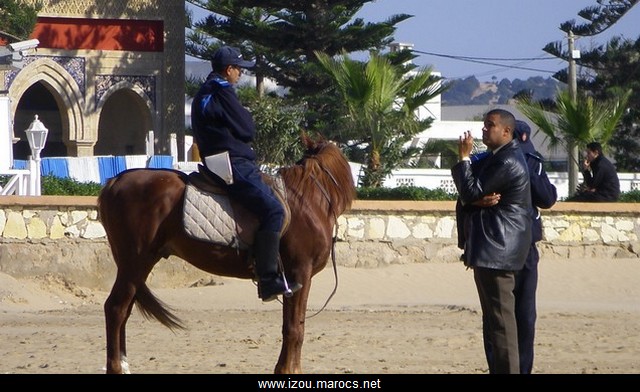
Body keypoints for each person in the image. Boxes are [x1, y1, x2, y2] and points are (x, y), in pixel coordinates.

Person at [190, 46, 301, 302]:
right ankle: (268, 279)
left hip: (219, 160)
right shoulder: (221, 90)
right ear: (228, 70)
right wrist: (244, 120)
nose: (240, 73)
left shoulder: (206, 91)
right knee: (274, 210)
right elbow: (247, 129)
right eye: (238, 68)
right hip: (232, 163)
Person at [451, 109, 532, 374]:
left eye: (490, 125)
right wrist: (472, 198)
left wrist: (464, 157)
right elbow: (469, 193)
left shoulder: (507, 160)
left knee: (501, 323)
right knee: (494, 323)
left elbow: (470, 189)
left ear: (506, 132)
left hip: (497, 251)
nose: (484, 129)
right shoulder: (494, 158)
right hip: (492, 250)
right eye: (484, 125)